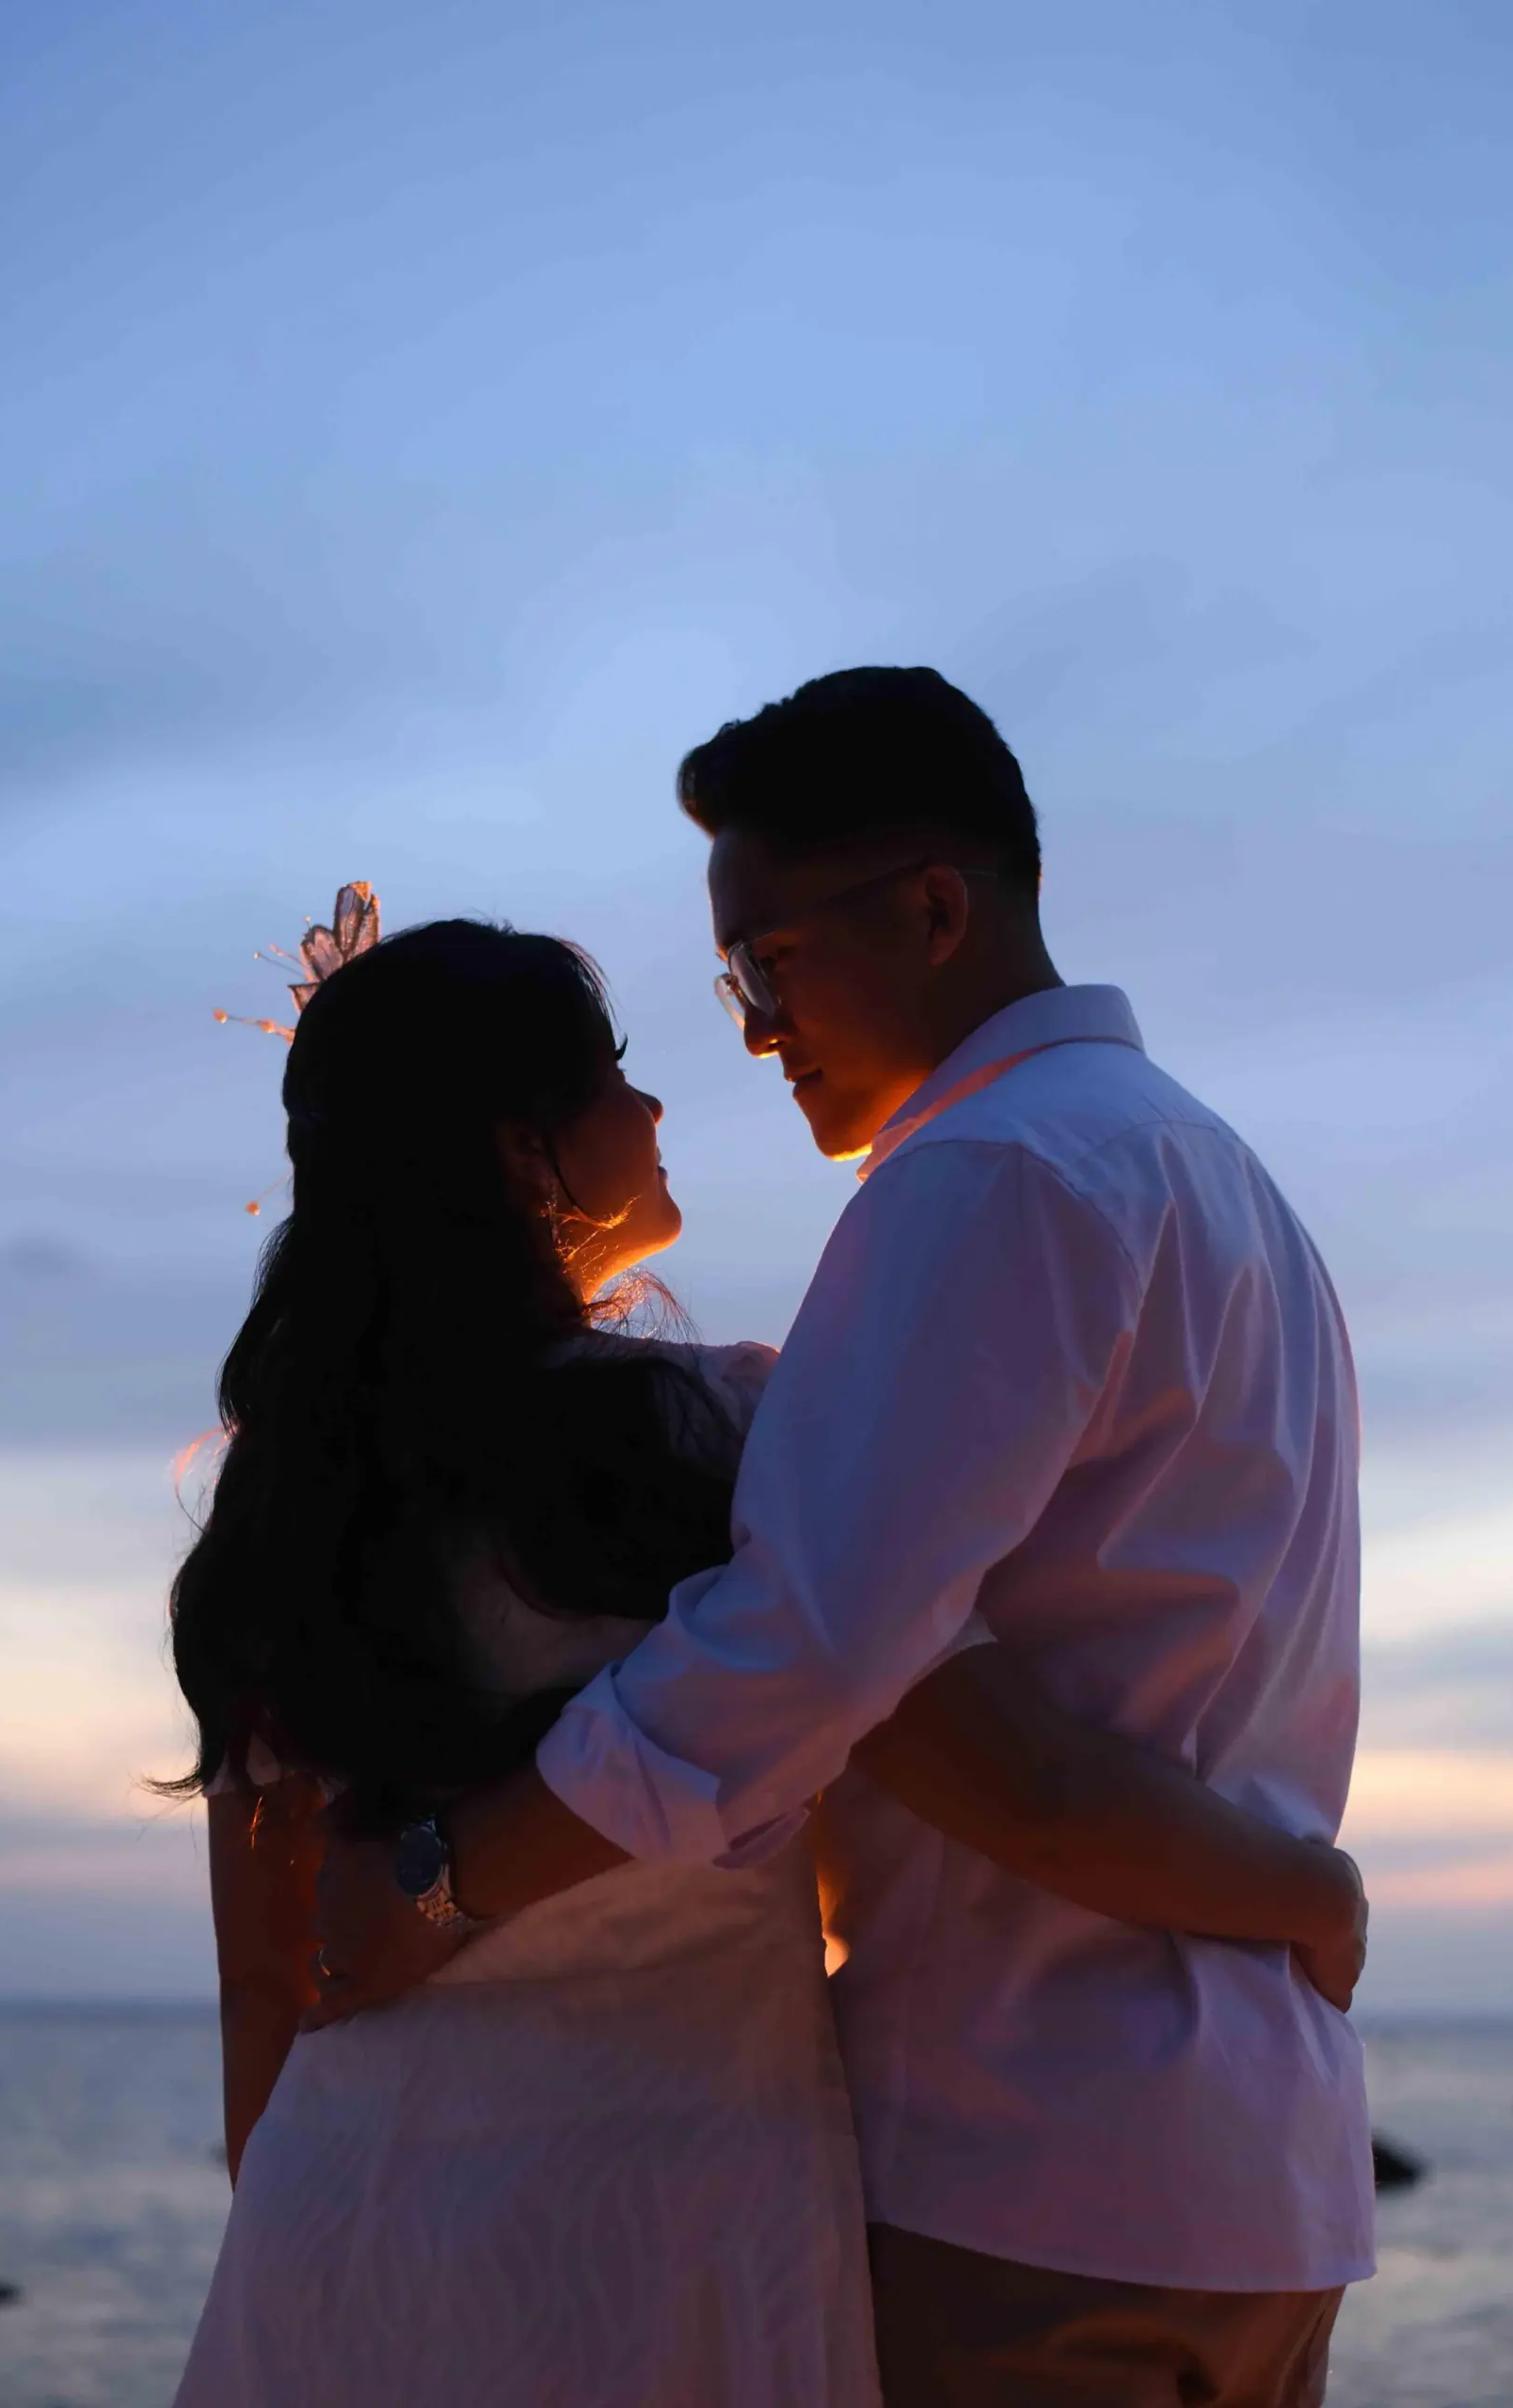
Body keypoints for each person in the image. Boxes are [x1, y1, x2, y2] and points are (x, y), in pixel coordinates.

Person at [309, 669, 1375, 2407]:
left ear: (936, 910)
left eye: (768, 963)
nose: (752, 1031)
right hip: (1260, 2181)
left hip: (1030, 2160)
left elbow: (815, 1656)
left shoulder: (985, 1176)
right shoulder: (1228, 1184)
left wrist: (444, 1880)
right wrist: (1306, 1892)